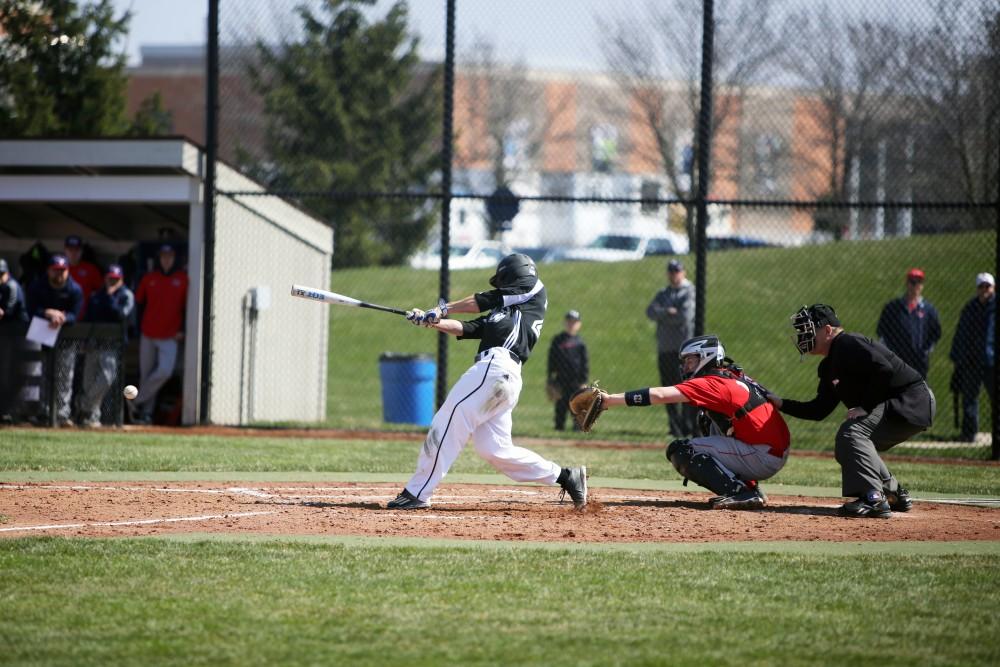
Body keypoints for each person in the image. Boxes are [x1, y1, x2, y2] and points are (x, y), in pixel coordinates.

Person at [387, 253, 588, 510]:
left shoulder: (533, 289)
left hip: (496, 368)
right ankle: (566, 476)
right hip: (500, 378)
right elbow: (469, 328)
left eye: (503, 282)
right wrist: (430, 321)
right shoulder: (507, 312)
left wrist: (442, 308)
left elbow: (484, 300)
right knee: (494, 449)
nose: (501, 287)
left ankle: (417, 492)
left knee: (449, 417)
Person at [768, 304, 935, 519]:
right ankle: (893, 493)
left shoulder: (848, 343)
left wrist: (865, 406)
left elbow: (884, 369)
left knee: (852, 434)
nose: (803, 336)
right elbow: (819, 410)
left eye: (808, 330)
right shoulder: (830, 364)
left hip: (912, 400)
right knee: (849, 443)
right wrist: (781, 403)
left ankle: (873, 499)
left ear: (827, 330)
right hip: (903, 403)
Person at [597, 335, 789, 510]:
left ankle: (742, 493)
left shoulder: (711, 383)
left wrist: (609, 400)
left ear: (706, 357)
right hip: (772, 448)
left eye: (690, 360)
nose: (686, 366)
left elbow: (660, 395)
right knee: (706, 419)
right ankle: (748, 488)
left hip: (763, 455)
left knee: (681, 450)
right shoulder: (732, 374)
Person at [131, 244, 188, 424]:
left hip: (170, 334)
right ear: (159, 258)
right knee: (146, 374)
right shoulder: (149, 278)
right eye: (163, 256)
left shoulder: (183, 279)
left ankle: (136, 400)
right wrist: (138, 327)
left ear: (175, 258)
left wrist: (183, 329)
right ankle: (145, 413)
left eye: (170, 256)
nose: (166, 259)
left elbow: (187, 307)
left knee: (164, 371)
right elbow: (138, 303)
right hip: (148, 333)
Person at [25, 254, 83, 427]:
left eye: (62, 270)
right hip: (41, 335)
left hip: (65, 336)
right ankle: (42, 412)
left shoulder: (74, 289)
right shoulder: (37, 286)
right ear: (48, 270)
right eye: (55, 270)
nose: (59, 274)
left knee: (65, 375)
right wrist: (47, 313)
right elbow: (30, 310)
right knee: (40, 374)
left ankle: (62, 414)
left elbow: (76, 314)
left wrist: (63, 317)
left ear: (68, 271)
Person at [76, 265, 135, 428]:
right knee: (89, 381)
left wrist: (110, 296)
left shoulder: (126, 295)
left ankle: (84, 404)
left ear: (121, 280)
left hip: (112, 345)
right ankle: (92, 417)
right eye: (110, 278)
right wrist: (84, 340)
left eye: (116, 279)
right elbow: (88, 318)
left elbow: (121, 315)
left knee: (106, 379)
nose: (112, 282)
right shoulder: (96, 296)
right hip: (94, 343)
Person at [646, 259, 697, 437]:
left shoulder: (689, 291)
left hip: (684, 351)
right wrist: (668, 311)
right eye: (671, 271)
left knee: (685, 388)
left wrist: (663, 313)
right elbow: (650, 312)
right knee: (667, 389)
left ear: (683, 272)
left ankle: (687, 426)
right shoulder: (663, 292)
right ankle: (674, 427)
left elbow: (684, 316)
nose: (674, 274)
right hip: (665, 348)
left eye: (677, 271)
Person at [949, 272, 996, 442]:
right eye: (981, 286)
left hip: (992, 362)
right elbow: (960, 333)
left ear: (993, 287)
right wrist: (957, 357)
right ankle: (969, 434)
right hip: (972, 360)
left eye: (987, 286)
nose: (984, 290)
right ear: (977, 289)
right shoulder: (970, 308)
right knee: (969, 399)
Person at [876, 268, 941, 379]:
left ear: (922, 285)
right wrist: (890, 352)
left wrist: (925, 350)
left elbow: (936, 333)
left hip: (919, 362)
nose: (915, 286)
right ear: (907, 283)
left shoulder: (929, 310)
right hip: (897, 361)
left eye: (918, 282)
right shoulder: (892, 307)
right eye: (912, 282)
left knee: (918, 391)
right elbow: (882, 331)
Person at [547, 309, 589, 431]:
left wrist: (584, 381)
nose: (571, 324)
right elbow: (551, 360)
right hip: (560, 379)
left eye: (574, 322)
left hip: (576, 381)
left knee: (577, 405)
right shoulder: (557, 340)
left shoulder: (580, 343)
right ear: (565, 323)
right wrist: (550, 379)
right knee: (560, 405)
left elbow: (584, 364)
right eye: (569, 321)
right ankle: (559, 428)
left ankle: (577, 429)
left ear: (579, 324)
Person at [0, 258, 28, 421]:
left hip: (18, 339)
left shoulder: (12, 286)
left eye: (1, 274)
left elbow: (7, 313)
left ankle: (9, 411)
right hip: (6, 338)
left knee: (11, 375)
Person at [64, 235, 103, 313]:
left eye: (77, 250)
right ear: (65, 250)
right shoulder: (58, 268)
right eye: (70, 250)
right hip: (61, 316)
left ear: (81, 251)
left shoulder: (90, 269)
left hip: (85, 316)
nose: (73, 253)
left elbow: (101, 291)